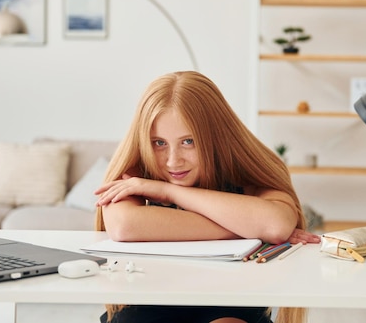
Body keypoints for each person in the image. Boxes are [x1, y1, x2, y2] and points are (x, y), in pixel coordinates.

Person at [95, 71, 320, 323]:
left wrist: (169, 191)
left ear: (215, 136)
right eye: (159, 143)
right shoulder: (138, 169)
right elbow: (125, 226)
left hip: (231, 301)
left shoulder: (245, 169)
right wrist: (250, 231)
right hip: (150, 301)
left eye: (188, 141)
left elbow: (274, 225)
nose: (173, 160)